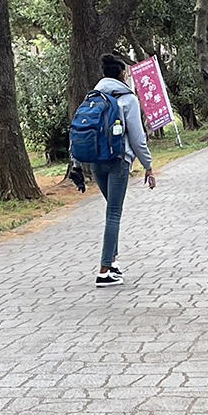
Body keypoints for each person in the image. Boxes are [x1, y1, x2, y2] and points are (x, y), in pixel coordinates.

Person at [80, 54, 156, 288]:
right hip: (117, 160)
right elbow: (136, 136)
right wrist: (148, 165)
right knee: (114, 213)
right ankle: (104, 271)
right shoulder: (127, 98)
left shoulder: (93, 96)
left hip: (95, 161)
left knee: (111, 210)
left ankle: (112, 263)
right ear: (122, 74)